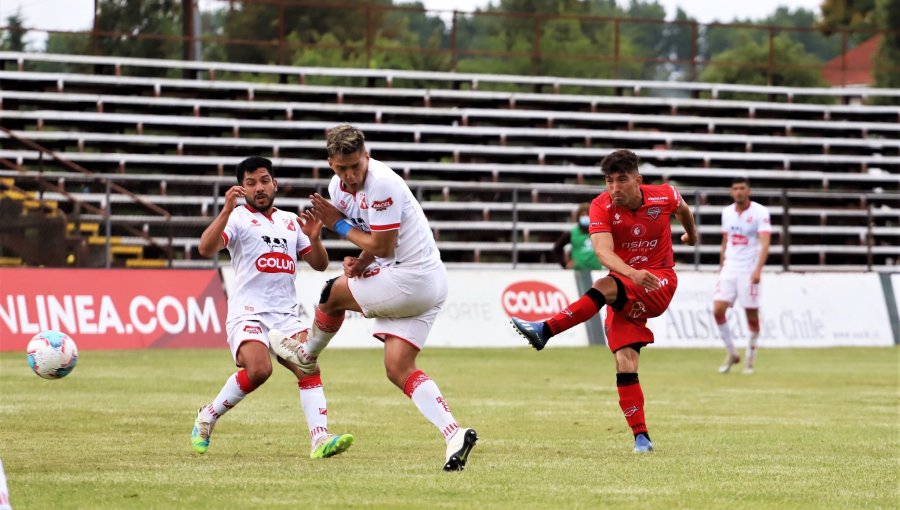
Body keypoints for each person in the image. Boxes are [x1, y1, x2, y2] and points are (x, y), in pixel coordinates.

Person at [272, 124, 478, 472]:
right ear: (330, 164)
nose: (350, 176)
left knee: (331, 294)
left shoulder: (382, 182)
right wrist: (361, 261)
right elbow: (372, 237)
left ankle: (306, 355)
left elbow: (383, 243)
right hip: (424, 281)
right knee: (398, 368)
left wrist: (338, 225)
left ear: (366, 156)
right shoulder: (337, 188)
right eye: (342, 168)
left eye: (356, 166)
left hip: (413, 280)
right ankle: (453, 433)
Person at [509, 149, 697, 454]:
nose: (614, 188)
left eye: (621, 180)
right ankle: (642, 438)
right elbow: (603, 253)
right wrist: (632, 273)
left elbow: (684, 209)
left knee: (603, 285)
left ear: (638, 180)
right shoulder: (601, 206)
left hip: (659, 281)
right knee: (625, 364)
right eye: (609, 181)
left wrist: (691, 236)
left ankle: (545, 330)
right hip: (628, 285)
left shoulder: (663, 196)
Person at [190, 156, 354, 459]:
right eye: (250, 183)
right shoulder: (237, 218)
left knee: (309, 367)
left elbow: (319, 265)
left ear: (274, 184)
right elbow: (205, 248)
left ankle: (320, 439)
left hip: (286, 316)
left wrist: (315, 240)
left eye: (264, 180)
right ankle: (207, 416)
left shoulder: (290, 221)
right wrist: (227, 209)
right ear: (242, 188)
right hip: (248, 312)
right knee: (259, 369)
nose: (259, 188)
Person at [713, 177, 771, 375]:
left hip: (748, 270)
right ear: (731, 192)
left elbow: (764, 243)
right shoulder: (727, 213)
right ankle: (731, 353)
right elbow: (725, 241)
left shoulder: (760, 213)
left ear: (749, 191)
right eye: (735, 188)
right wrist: (722, 267)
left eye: (742, 188)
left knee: (751, 317)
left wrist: (757, 270)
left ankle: (750, 359)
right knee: (718, 310)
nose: (738, 192)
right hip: (730, 269)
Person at [552, 203, 605, 270]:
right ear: (578, 216)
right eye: (582, 215)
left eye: (587, 214)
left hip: (596, 272)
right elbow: (557, 248)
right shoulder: (572, 233)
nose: (585, 217)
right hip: (577, 272)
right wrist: (564, 264)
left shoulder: (599, 232)